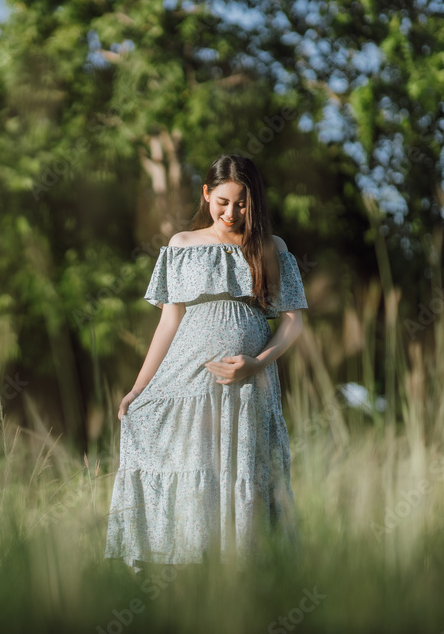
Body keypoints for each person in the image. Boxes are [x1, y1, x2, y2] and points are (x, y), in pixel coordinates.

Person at [104, 153, 307, 580]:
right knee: (190, 466)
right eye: (222, 201)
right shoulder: (181, 245)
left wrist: (257, 364)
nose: (231, 212)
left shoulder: (271, 249)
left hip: (249, 383)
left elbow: (293, 321)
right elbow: (168, 323)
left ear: (255, 202)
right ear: (206, 195)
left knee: (244, 471)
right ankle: (183, 580)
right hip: (187, 381)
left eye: (242, 203)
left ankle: (244, 585)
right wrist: (139, 388)